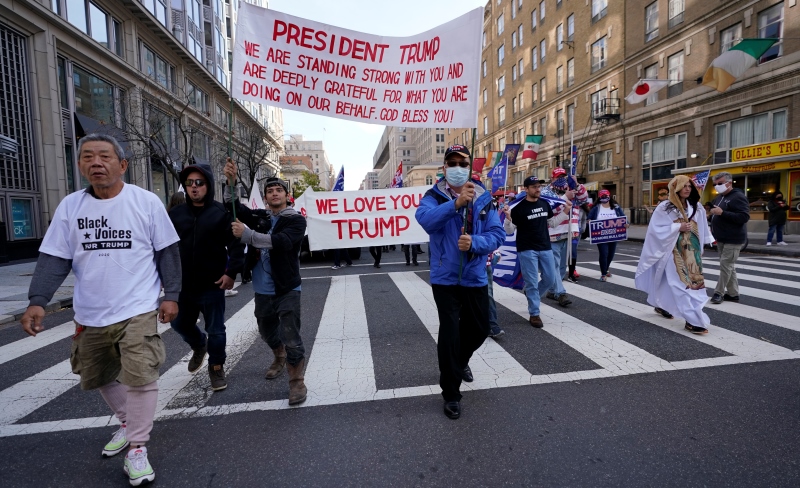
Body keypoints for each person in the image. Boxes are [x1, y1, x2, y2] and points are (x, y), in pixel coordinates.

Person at [20, 133, 181, 486]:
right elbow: (54, 258)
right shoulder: (69, 207)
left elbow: (167, 251)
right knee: (99, 373)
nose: (96, 163)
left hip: (138, 306)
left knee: (141, 374)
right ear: (79, 166)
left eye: (105, 156)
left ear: (122, 164)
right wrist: (37, 301)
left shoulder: (146, 202)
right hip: (91, 311)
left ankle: (138, 447)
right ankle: (128, 422)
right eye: (88, 157)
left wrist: (172, 295)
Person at [416, 145, 505, 420]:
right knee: (450, 333)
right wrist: (455, 205)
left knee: (479, 329)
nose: (457, 167)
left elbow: (497, 234)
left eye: (462, 163)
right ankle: (451, 393)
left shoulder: (483, 197)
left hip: (475, 276)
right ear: (444, 168)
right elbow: (426, 221)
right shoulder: (433, 196)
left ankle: (459, 362)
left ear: (470, 166)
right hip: (445, 278)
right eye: (451, 163)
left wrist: (475, 243)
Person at [223, 159, 309, 405]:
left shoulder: (295, 220)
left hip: (287, 288)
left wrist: (248, 235)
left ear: (286, 195)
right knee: (266, 330)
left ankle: (296, 384)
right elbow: (235, 210)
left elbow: (282, 241)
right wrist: (231, 183)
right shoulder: (260, 217)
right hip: (262, 290)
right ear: (265, 197)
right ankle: (278, 354)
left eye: (278, 190)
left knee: (291, 335)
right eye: (269, 191)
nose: (273, 193)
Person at [168, 164, 244, 391]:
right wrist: (164, 276)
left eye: (199, 183)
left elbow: (236, 244)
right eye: (189, 183)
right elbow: (164, 246)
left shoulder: (221, 213)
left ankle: (216, 367)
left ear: (208, 185)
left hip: (212, 284)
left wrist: (231, 273)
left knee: (217, 330)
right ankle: (199, 344)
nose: (194, 187)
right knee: (179, 323)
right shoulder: (174, 214)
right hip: (182, 286)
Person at [635, 175, 715, 334]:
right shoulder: (664, 207)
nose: (687, 189)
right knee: (680, 284)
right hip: (671, 252)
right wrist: (676, 228)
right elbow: (655, 229)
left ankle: (662, 304)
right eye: (684, 186)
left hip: (691, 252)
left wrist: (704, 244)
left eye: (689, 186)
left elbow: (703, 227)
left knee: (692, 284)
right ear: (675, 188)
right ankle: (693, 320)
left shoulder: (696, 206)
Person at [502, 176, 559, 328]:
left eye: (539, 186)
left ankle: (532, 294)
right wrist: (508, 218)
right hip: (527, 249)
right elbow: (509, 230)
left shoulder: (544, 204)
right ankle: (534, 313)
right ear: (526, 189)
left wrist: (565, 211)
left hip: (545, 247)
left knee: (550, 279)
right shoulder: (519, 208)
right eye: (534, 187)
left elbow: (552, 223)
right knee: (532, 282)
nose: (538, 189)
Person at [541, 168, 587, 307]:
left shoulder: (571, 188)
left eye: (563, 176)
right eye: (558, 177)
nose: (561, 179)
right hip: (552, 233)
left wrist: (577, 185)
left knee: (562, 266)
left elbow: (583, 199)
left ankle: (552, 290)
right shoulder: (545, 192)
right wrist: (566, 197)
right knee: (553, 265)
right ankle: (561, 293)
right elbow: (551, 208)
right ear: (552, 178)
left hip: (569, 232)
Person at [708, 171, 750, 304]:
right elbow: (718, 214)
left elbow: (744, 217)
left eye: (720, 183)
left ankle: (718, 293)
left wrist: (722, 213)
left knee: (726, 266)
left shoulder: (738, 197)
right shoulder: (720, 197)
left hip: (733, 238)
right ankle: (733, 293)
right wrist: (710, 215)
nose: (717, 186)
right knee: (728, 266)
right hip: (721, 237)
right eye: (715, 184)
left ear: (729, 183)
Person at [588, 190, 627, 282]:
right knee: (604, 253)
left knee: (610, 254)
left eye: (606, 196)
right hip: (601, 236)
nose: (604, 198)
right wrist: (589, 221)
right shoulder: (596, 208)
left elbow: (622, 217)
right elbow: (589, 217)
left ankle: (606, 268)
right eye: (602, 196)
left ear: (609, 196)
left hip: (614, 235)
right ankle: (603, 273)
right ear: (599, 197)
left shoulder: (616, 208)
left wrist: (626, 224)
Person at [486, 251, 504, 337]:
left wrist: (496, 252)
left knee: (488, 295)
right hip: (465, 264)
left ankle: (492, 325)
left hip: (485, 265)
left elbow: (492, 239)